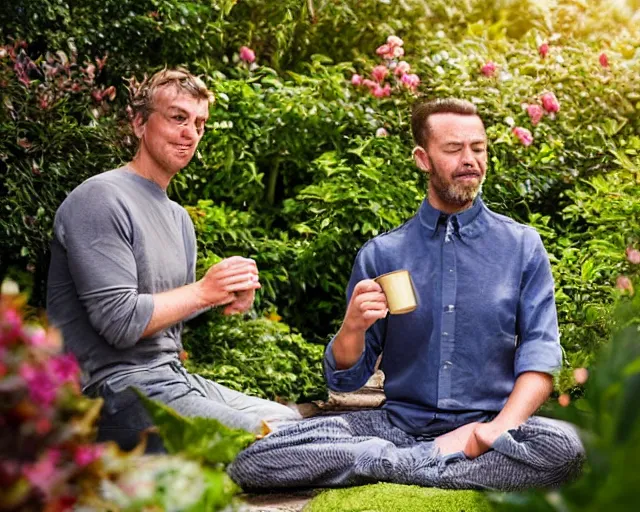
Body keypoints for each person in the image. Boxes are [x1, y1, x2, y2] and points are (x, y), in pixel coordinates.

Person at [228, 98, 584, 491]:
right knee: (256, 460)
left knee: (565, 448)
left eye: (478, 148)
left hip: (486, 430)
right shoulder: (382, 254)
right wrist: (352, 327)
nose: (470, 160)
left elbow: (541, 353)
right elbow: (346, 381)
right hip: (396, 425)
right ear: (422, 158)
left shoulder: (521, 246)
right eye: (453, 149)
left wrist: (496, 430)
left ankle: (380, 463)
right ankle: (418, 462)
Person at [46, 68, 300, 450]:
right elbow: (120, 322)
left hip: (170, 378)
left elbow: (163, 315)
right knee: (268, 439)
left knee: (289, 421)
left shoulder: (179, 218)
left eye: (199, 123)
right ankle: (405, 461)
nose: (191, 133)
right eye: (178, 118)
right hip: (109, 394)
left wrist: (223, 294)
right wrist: (204, 292)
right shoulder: (99, 198)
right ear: (138, 123)